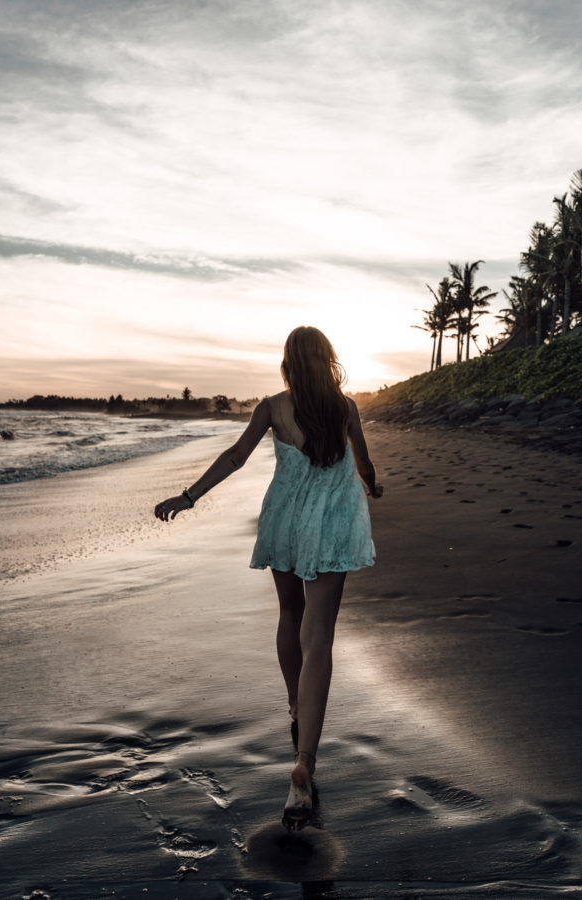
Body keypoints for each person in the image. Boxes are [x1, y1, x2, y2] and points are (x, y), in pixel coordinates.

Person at [154, 326, 383, 829]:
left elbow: (236, 458)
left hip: (284, 519)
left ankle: (294, 705)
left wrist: (187, 497)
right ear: (328, 360)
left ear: (288, 363)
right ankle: (305, 759)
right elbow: (363, 462)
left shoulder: (272, 408)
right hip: (333, 524)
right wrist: (373, 483)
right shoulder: (344, 408)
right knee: (319, 637)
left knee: (290, 613)